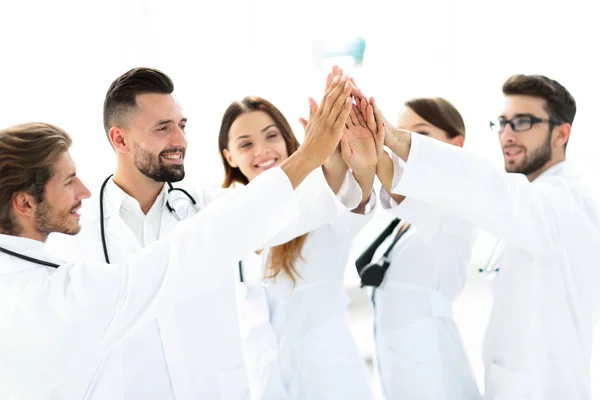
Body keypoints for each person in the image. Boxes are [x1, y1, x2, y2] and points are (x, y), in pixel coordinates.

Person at [0, 86, 352, 399]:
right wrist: (305, 157)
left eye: (182, 125)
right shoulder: (67, 246)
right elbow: (194, 249)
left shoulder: (204, 205)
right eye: (163, 128)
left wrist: (337, 160)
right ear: (119, 140)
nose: (180, 140)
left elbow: (285, 212)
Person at [366, 73, 600, 399]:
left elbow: (488, 190)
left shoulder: (565, 201)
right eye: (502, 123)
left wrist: (396, 138)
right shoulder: (531, 202)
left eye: (522, 122)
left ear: (561, 133)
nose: (506, 135)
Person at [218, 94, 379, 399]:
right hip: (266, 386)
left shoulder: (316, 199)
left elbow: (353, 198)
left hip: (331, 382)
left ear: (288, 139)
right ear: (230, 157)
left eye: (271, 136)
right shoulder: (228, 220)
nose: (262, 151)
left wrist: (337, 157)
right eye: (246, 144)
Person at [363, 97, 480, 399]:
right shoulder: (405, 221)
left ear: (456, 144)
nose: (404, 144)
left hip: (436, 374)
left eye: (420, 134)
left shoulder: (458, 205)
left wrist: (371, 143)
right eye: (400, 133)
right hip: (399, 372)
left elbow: (396, 186)